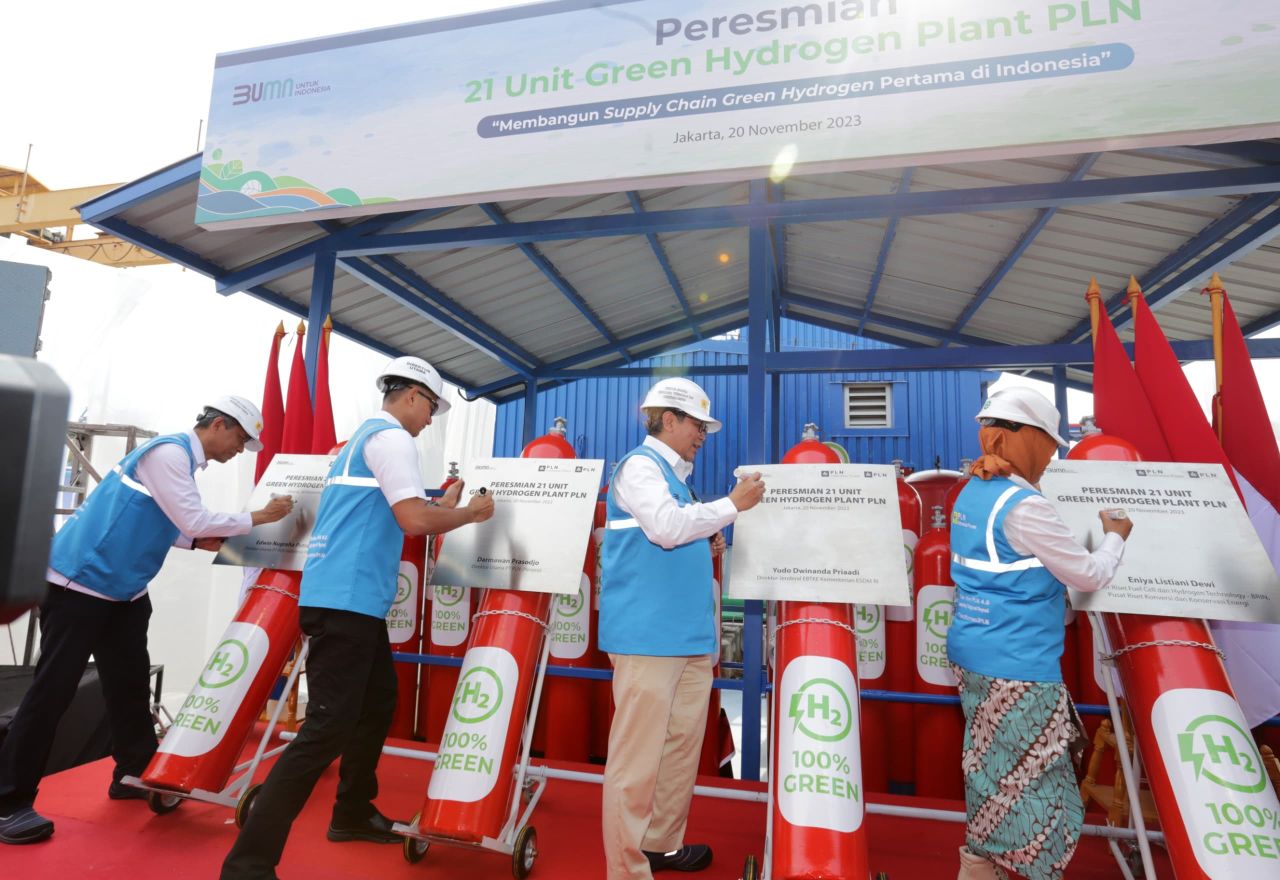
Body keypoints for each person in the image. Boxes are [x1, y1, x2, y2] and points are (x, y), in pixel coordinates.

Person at [221, 356, 494, 880]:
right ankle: (247, 864)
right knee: (325, 729)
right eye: (431, 408)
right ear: (411, 396)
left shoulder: (363, 439)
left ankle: (351, 812)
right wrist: (467, 514)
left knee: (378, 703)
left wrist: (443, 503)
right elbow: (411, 519)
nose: (430, 419)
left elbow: (397, 508)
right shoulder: (393, 440)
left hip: (351, 600)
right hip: (346, 601)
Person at [0, 395, 294, 845]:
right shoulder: (169, 454)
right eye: (240, 439)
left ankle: (133, 773)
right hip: (79, 585)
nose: (240, 450)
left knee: (130, 686)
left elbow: (166, 522)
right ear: (218, 424)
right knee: (51, 694)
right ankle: (9, 802)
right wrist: (260, 517)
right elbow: (193, 519)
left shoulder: (180, 461)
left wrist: (196, 542)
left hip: (123, 591)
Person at [946, 386, 1133, 880]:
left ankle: (978, 867)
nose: (1050, 459)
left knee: (989, 770)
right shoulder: (1024, 505)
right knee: (1035, 785)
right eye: (1048, 446)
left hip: (973, 651)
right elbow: (1088, 574)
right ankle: (1031, 869)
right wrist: (1116, 537)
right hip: (1019, 664)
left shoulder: (973, 489)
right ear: (1026, 439)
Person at [598, 377, 766, 880]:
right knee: (636, 760)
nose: (703, 435)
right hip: (648, 639)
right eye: (698, 425)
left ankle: (660, 845)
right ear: (667, 420)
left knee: (678, 751)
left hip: (685, 640)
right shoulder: (639, 467)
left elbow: (675, 528)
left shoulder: (675, 478)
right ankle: (626, 869)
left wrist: (706, 537)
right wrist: (731, 506)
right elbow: (666, 528)